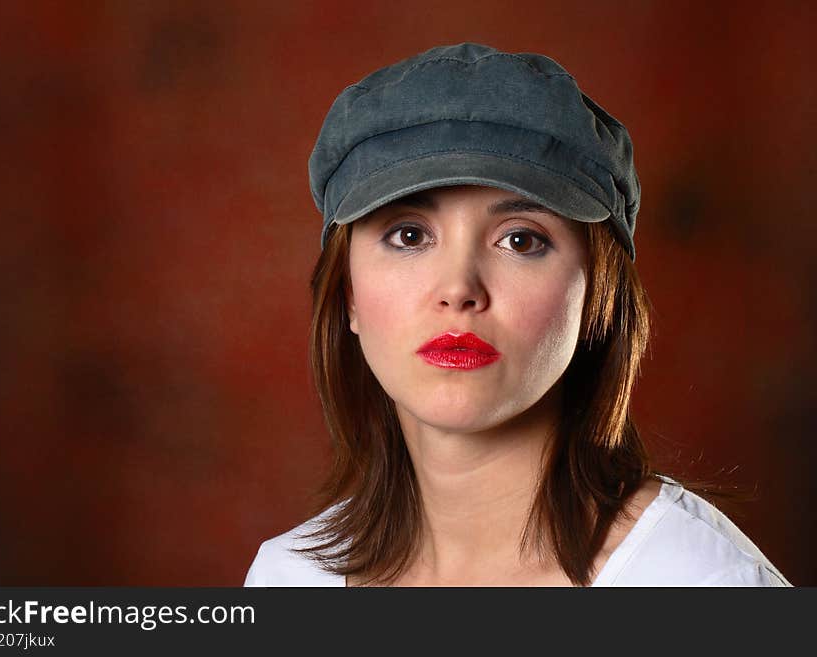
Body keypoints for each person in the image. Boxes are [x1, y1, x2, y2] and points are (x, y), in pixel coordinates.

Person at [244, 43, 791, 587]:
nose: (459, 289)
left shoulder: (701, 581)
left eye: (521, 240)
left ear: (598, 297)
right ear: (348, 296)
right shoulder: (288, 577)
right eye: (409, 236)